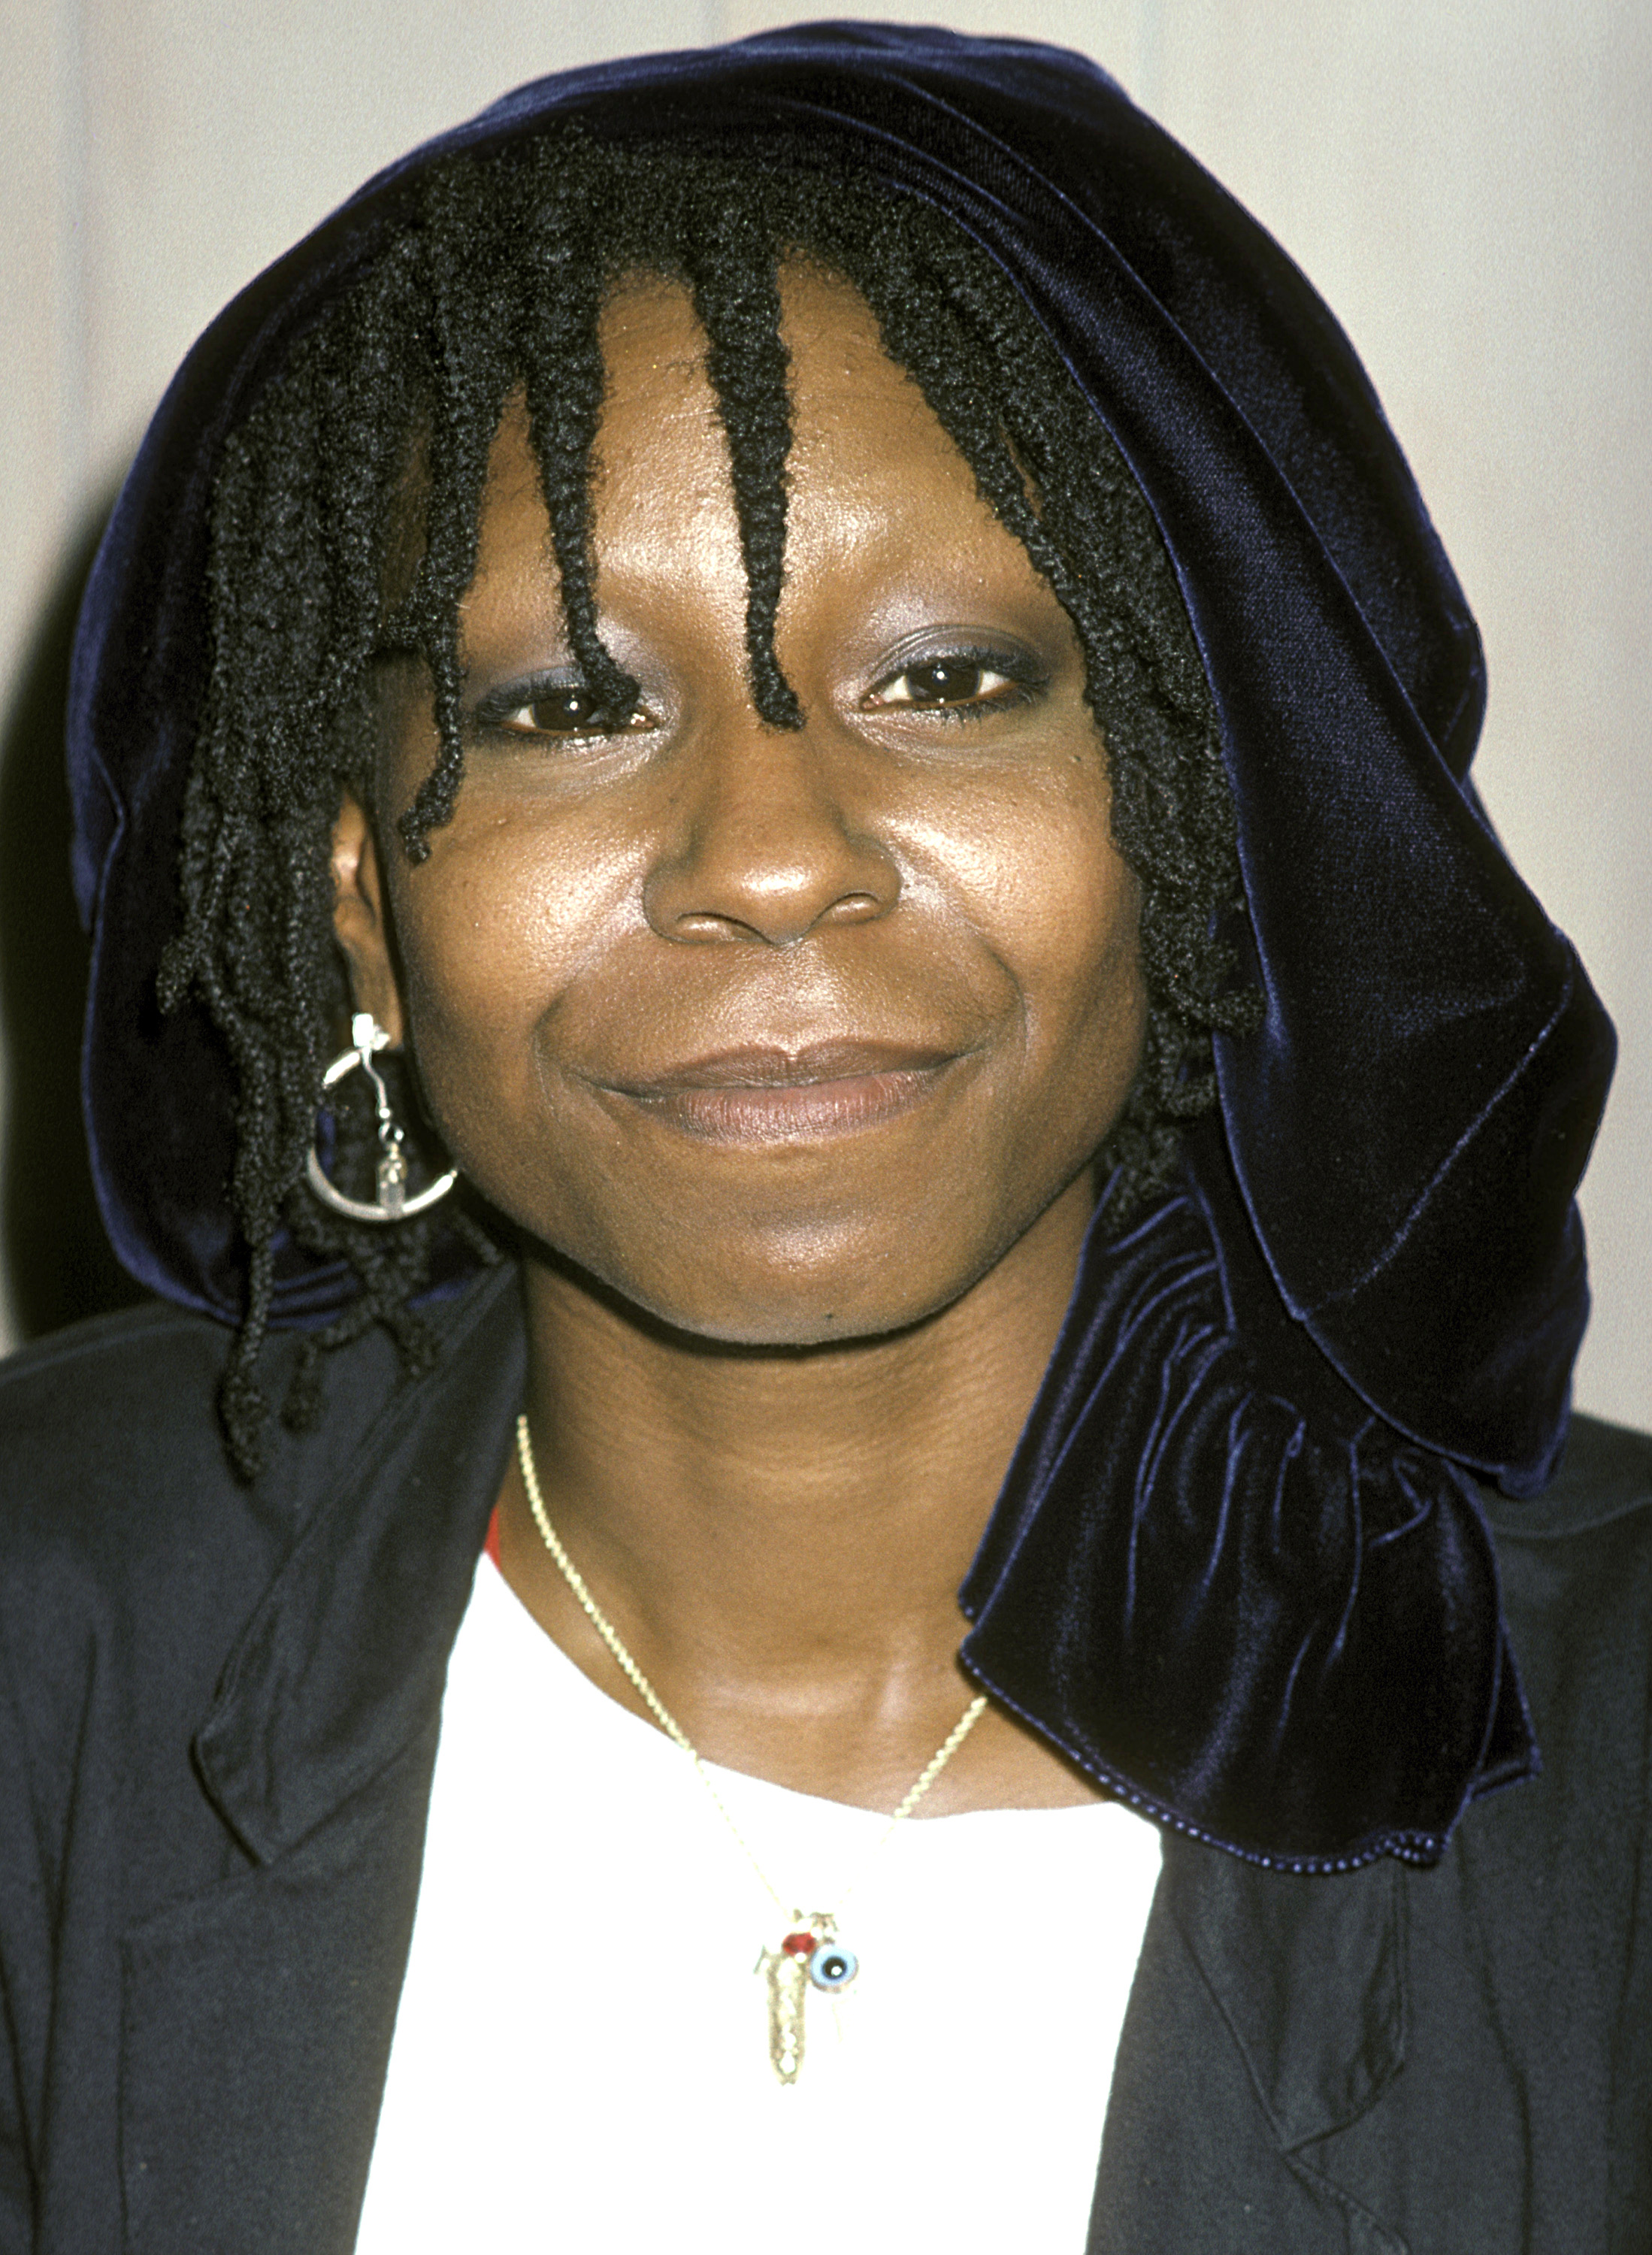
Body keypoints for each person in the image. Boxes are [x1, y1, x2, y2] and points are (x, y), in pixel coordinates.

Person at [2, 23, 1646, 2252]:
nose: (768, 861)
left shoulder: (1609, 1759)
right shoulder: (51, 1624)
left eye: (949, 681)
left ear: (1194, 810)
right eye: (572, 706)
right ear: (359, 914)